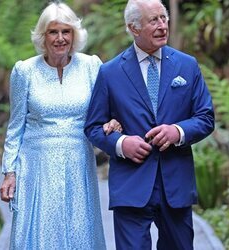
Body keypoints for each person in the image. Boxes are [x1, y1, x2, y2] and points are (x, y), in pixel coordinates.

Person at [84, 0, 215, 249]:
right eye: (153, 20)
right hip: (131, 185)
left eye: (164, 18)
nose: (162, 26)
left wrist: (177, 131)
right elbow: (93, 127)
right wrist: (122, 144)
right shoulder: (110, 72)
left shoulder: (187, 65)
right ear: (133, 28)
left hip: (175, 184)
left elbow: (205, 117)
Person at [0, 2, 122, 249]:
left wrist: (112, 121)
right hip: (36, 164)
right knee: (41, 230)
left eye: (66, 32)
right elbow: (16, 126)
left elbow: (105, 110)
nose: (60, 38)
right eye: (53, 32)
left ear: (74, 35)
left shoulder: (91, 66)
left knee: (79, 227)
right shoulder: (25, 71)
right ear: (43, 36)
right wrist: (9, 172)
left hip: (78, 160)